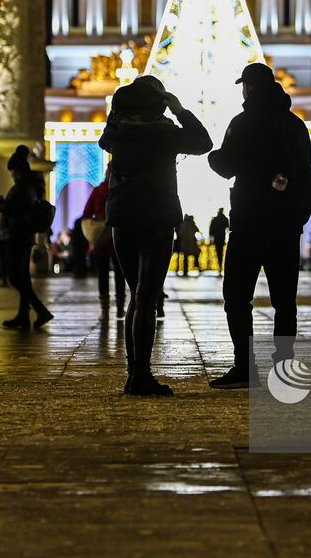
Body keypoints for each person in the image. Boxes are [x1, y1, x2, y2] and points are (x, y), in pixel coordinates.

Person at [99, 76, 211, 396]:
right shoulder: (164, 134)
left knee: (137, 296)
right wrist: (179, 110)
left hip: (122, 220)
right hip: (157, 218)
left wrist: (116, 112)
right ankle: (141, 376)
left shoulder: (116, 134)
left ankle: (134, 373)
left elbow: (104, 138)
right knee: (146, 299)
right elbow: (203, 143)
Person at [207, 62, 311, 389]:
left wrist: (214, 157)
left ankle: (245, 367)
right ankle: (284, 368)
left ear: (249, 88)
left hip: (250, 222)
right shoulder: (295, 126)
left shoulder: (243, 122)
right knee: (285, 301)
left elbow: (226, 165)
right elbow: (305, 174)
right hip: (285, 224)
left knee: (237, 296)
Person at [0, 145, 53, 330]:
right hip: (24, 235)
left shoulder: (23, 187)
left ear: (17, 170)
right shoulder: (30, 185)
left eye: (13, 172)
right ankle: (23, 316)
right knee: (23, 278)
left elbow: (15, 210)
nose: (12, 175)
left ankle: (40, 310)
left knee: (15, 277)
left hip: (17, 236)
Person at [81, 181, 125, 322]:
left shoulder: (98, 191)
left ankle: (105, 311)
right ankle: (120, 308)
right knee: (120, 274)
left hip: (101, 239)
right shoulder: (123, 190)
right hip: (119, 237)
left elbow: (86, 213)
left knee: (103, 275)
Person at [208, 208, 228, 274]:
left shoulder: (215, 219)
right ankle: (221, 266)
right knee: (221, 253)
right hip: (222, 238)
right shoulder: (224, 219)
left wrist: (211, 238)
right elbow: (228, 227)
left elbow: (211, 230)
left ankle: (220, 266)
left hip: (217, 238)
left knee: (218, 252)